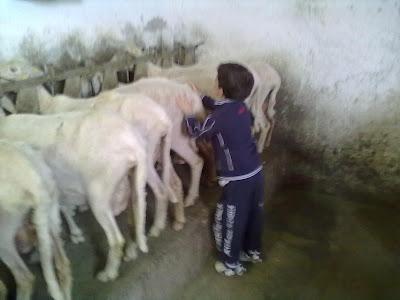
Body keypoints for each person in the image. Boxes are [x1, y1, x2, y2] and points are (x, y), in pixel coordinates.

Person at [178, 63, 265, 276]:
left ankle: (230, 264)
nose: (215, 82)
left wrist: (189, 113)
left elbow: (197, 132)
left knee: (230, 218)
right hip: (255, 172)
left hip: (237, 179)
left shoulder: (218, 117)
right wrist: (203, 98)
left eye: (217, 79)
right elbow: (221, 105)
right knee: (254, 214)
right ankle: (251, 250)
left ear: (220, 86)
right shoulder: (242, 107)